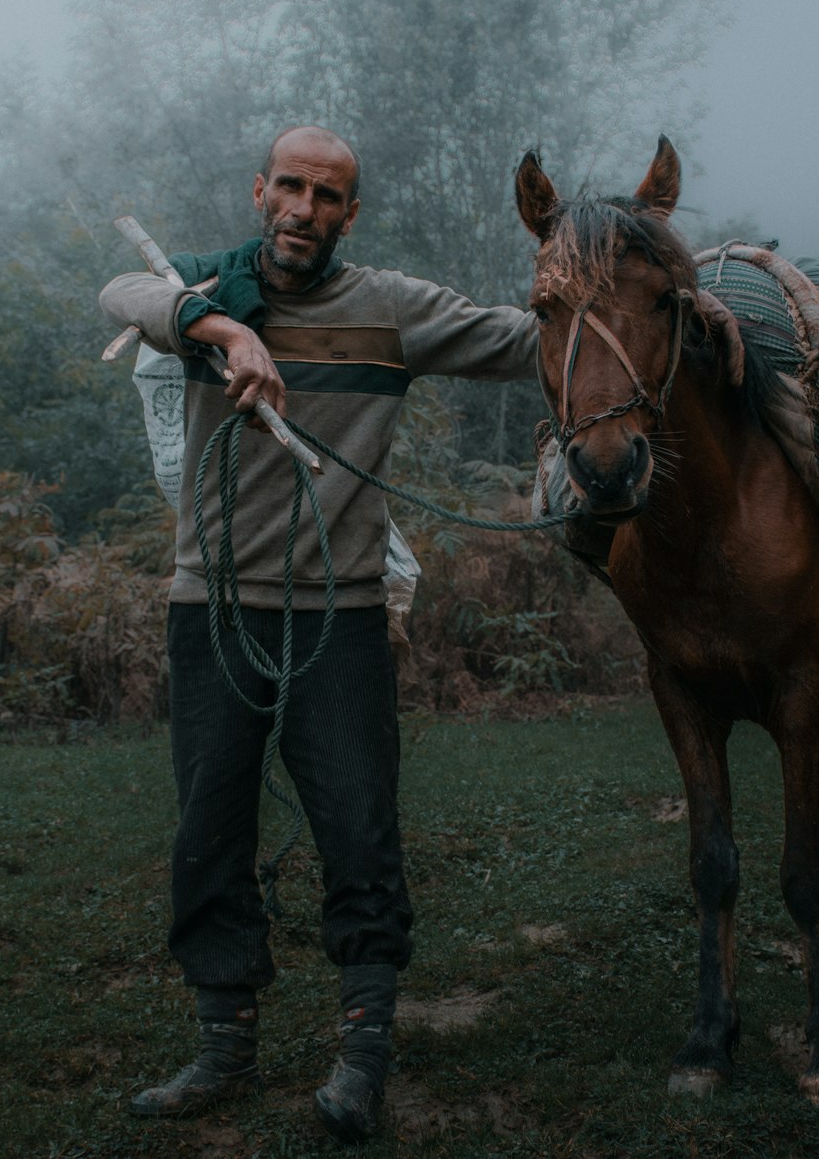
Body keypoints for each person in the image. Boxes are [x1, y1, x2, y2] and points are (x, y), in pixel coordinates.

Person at [100, 125, 537, 1144]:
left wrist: (624, 296)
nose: (304, 208)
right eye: (289, 187)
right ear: (260, 193)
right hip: (208, 607)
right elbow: (119, 293)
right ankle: (222, 1047)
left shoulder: (387, 309)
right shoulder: (206, 286)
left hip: (338, 615)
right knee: (208, 830)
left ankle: (364, 1054)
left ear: (349, 213)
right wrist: (222, 332)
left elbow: (523, 342)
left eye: (327, 195)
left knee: (358, 827)